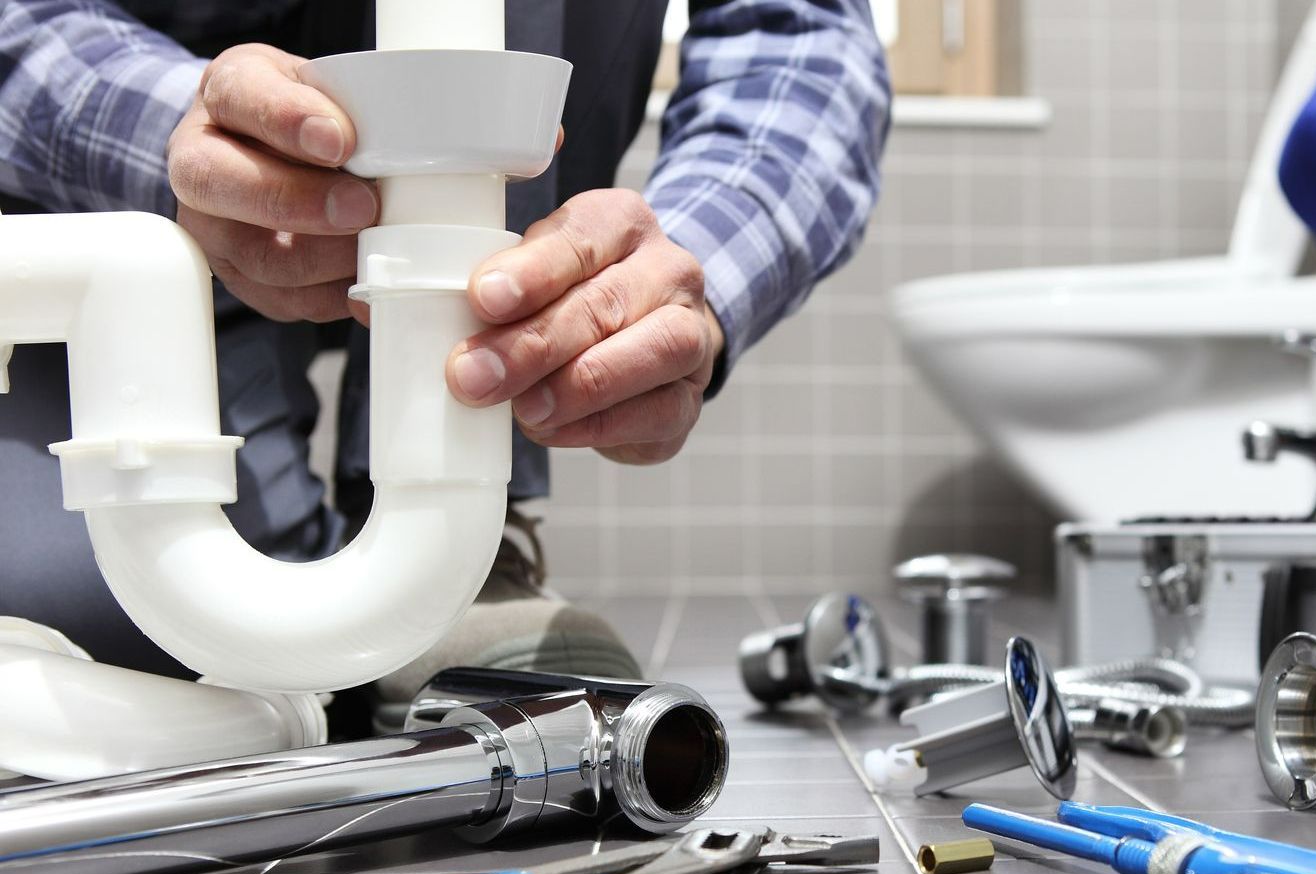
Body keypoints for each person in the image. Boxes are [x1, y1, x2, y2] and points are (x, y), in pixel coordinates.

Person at [0, 0, 890, 725]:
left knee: (239, 650)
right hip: (103, 212)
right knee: (80, 606)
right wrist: (182, 136)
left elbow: (800, 34)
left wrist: (669, 274)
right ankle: (330, 552)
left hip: (470, 232)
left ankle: (459, 543)